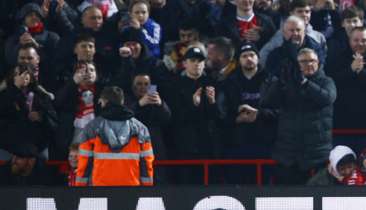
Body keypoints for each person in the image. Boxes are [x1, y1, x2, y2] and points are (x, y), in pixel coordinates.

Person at [263, 48, 336, 185]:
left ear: (318, 63)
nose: (309, 64)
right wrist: (281, 81)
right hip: (287, 155)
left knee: (317, 196)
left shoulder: (326, 81)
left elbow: (327, 98)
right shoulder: (286, 83)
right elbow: (268, 101)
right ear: (296, 64)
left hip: (317, 155)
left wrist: (304, 82)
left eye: (312, 61)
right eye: (304, 61)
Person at [167, 46, 228, 184]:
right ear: (184, 63)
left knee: (209, 191)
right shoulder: (176, 86)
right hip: (184, 150)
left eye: (200, 61)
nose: (196, 64)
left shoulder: (214, 86)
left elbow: (222, 119)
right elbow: (172, 119)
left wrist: (213, 103)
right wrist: (193, 106)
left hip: (209, 149)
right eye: (192, 60)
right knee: (184, 191)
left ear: (204, 64)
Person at [75, 86, 154, 186]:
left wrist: (80, 189)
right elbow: (146, 163)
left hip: (99, 189)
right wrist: (146, 189)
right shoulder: (140, 128)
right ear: (123, 102)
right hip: (131, 189)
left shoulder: (92, 127)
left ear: (104, 102)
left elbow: (84, 162)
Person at [221, 44, 276, 185]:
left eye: (252, 55)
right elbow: (221, 114)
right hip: (236, 144)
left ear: (258, 58)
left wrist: (259, 113)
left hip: (263, 144)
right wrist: (237, 119)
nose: (249, 58)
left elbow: (280, 112)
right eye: (244, 56)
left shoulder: (271, 81)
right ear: (239, 60)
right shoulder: (227, 82)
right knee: (235, 190)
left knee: (261, 191)